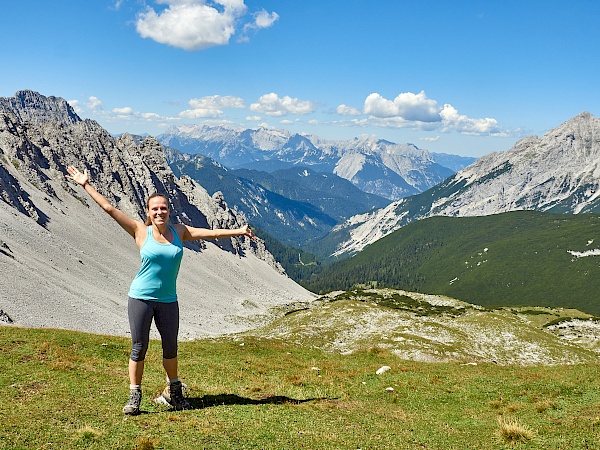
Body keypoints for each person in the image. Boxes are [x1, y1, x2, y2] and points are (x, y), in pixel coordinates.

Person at [66, 166, 255, 415]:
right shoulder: (139, 231)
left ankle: (174, 392)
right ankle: (135, 396)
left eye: (163, 208)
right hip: (141, 298)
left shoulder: (179, 231)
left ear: (169, 210)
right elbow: (109, 209)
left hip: (168, 300)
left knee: (170, 347)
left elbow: (211, 234)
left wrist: (239, 231)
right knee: (139, 347)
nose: (159, 212)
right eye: (154, 209)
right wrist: (85, 184)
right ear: (148, 212)